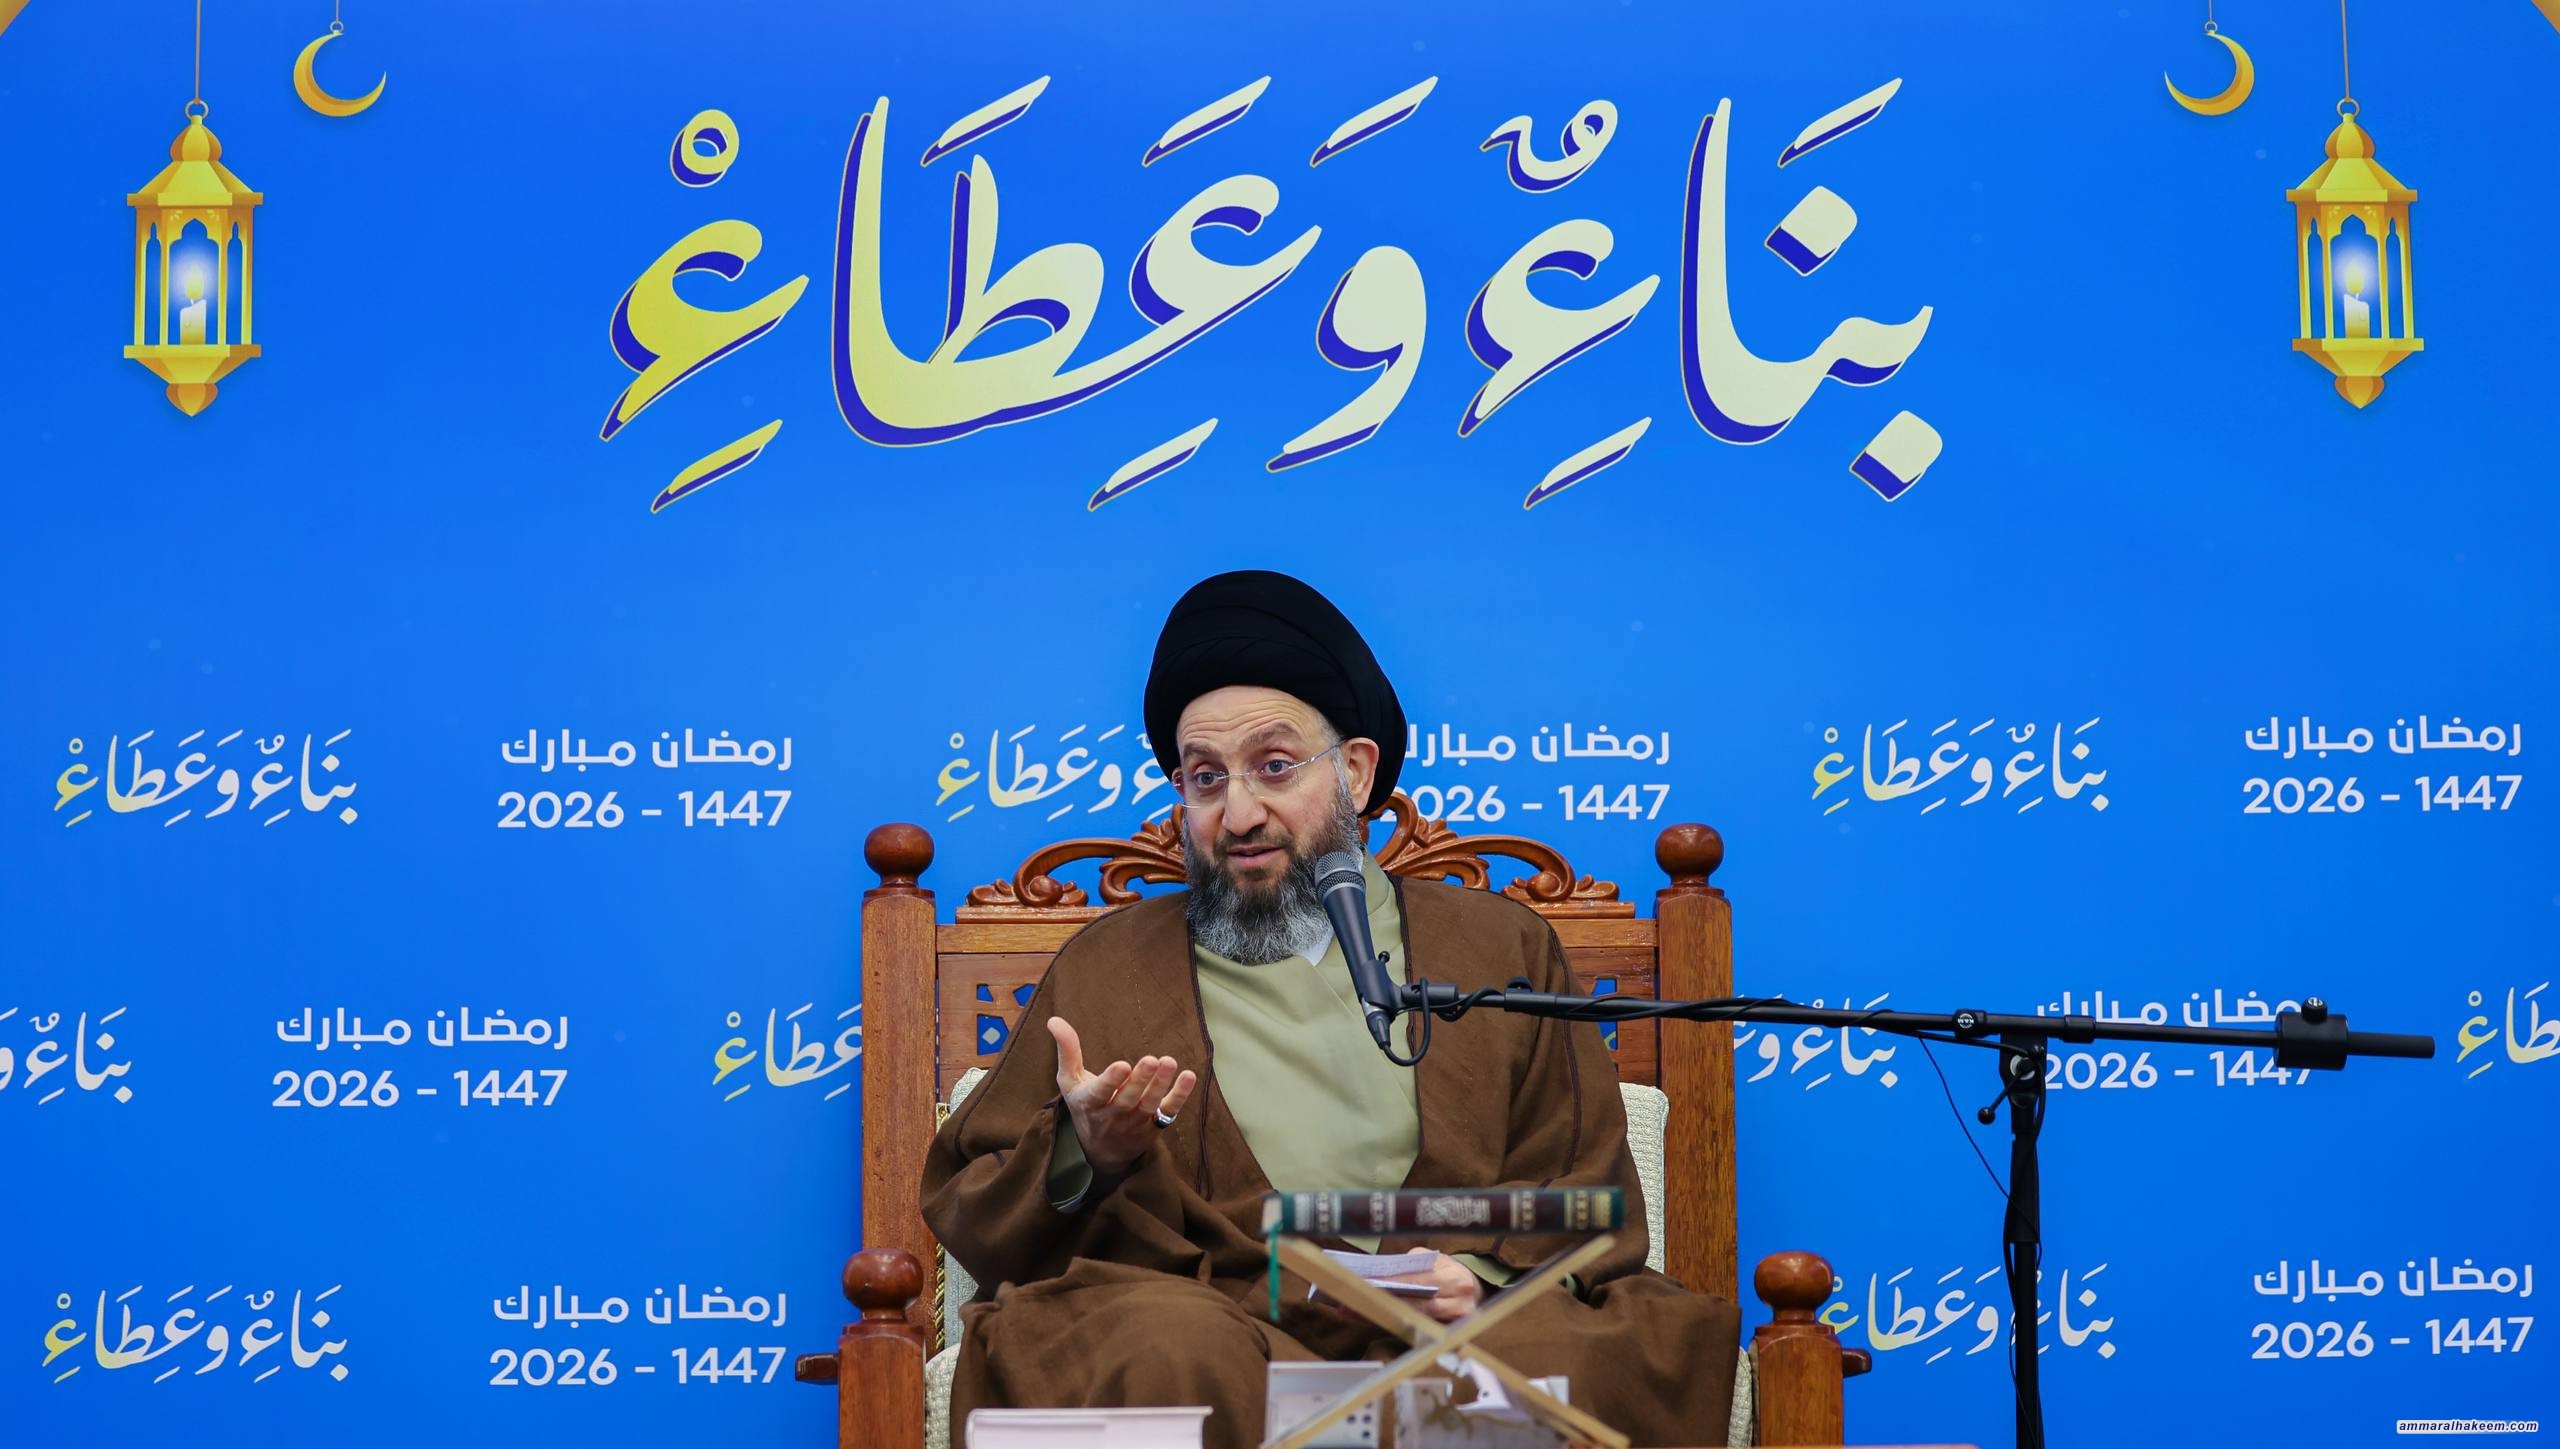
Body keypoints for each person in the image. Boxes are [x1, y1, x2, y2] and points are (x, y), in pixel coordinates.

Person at [922, 569, 1741, 1448]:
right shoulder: (1109, 965)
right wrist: (1086, 1148)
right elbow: (973, 1199)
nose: (1239, 812)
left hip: (1449, 1320)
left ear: (1354, 770)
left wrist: (1478, 1272)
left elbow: (1578, 1180)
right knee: (1161, 1350)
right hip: (1210, 1311)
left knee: (1544, 1358)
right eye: (1205, 778)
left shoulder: (1498, 947)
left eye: (1274, 766)